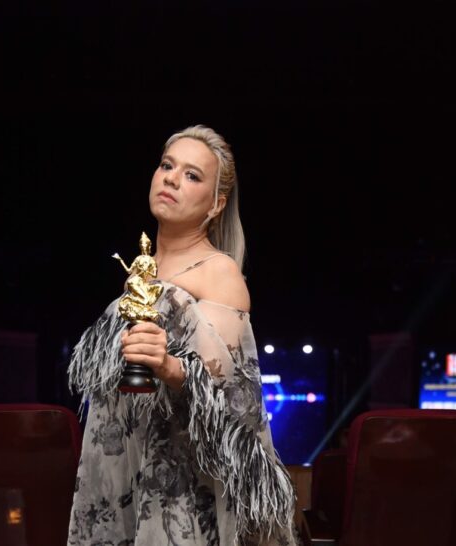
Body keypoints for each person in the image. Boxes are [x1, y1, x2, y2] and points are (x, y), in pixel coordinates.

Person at [67, 125, 298, 545]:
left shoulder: (219, 274)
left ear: (216, 204)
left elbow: (231, 406)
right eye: (167, 166)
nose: (172, 178)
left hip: (183, 500)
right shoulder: (140, 274)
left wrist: (171, 367)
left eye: (192, 175)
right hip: (125, 483)